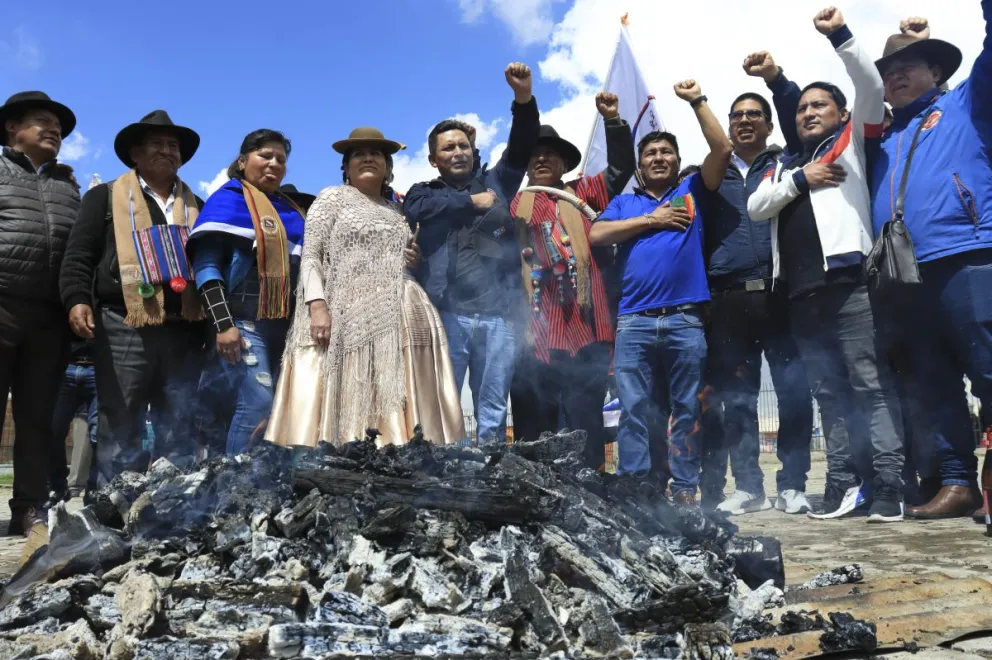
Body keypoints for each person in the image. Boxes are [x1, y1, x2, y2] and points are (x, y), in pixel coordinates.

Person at [748, 8, 905, 523]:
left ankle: (889, 485)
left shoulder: (852, 142)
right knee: (828, 393)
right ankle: (842, 482)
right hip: (800, 296)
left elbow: (868, 82)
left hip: (851, 285)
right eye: (802, 109)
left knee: (868, 383)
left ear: (842, 113)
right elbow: (756, 206)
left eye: (820, 105)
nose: (809, 113)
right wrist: (799, 179)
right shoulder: (786, 165)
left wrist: (839, 35)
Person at [265, 127, 466, 448]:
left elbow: (397, 256)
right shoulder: (331, 199)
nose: (368, 158)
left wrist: (412, 259)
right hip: (343, 312)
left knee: (398, 396)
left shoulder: (397, 210)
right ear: (345, 168)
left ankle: (396, 455)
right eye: (358, 154)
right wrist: (316, 305)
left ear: (388, 167)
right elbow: (312, 256)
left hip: (399, 314)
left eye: (376, 154)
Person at [870, 2, 991, 519]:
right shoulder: (882, 135)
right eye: (888, 73)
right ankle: (958, 483)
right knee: (931, 380)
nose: (895, 78)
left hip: (968, 259)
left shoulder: (970, 101)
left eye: (907, 68)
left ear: (937, 72)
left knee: (989, 370)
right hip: (906, 275)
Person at [590, 79, 733, 507]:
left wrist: (697, 101)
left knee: (686, 408)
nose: (658, 157)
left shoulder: (693, 191)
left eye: (665, 152)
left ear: (677, 160)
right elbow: (597, 233)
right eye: (650, 153)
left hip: (685, 319)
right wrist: (651, 220)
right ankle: (635, 489)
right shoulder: (625, 202)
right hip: (633, 321)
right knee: (632, 409)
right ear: (639, 166)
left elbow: (722, 151)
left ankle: (685, 488)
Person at [60, 110, 206, 487]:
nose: (167, 151)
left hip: (183, 330)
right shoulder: (105, 197)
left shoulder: (198, 207)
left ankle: (174, 504)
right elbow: (79, 255)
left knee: (178, 418)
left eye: (173, 145)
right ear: (135, 154)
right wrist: (77, 299)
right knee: (120, 416)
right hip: (125, 324)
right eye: (156, 144)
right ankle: (115, 500)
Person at [699, 52, 814, 516]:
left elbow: (794, 111)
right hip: (727, 300)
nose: (746, 121)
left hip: (780, 294)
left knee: (792, 390)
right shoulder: (707, 174)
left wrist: (775, 79)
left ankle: (793, 484)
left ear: (768, 125)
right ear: (727, 125)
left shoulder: (787, 162)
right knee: (737, 398)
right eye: (737, 116)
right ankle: (748, 486)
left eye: (755, 115)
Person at [403, 63, 539, 446]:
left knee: (493, 407)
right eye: (449, 147)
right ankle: (446, 477)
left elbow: (523, 145)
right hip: (447, 315)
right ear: (434, 158)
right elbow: (417, 211)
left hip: (499, 318)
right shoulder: (422, 192)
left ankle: (489, 475)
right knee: (443, 402)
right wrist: (470, 202)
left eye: (464, 145)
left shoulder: (498, 182)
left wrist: (523, 99)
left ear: (473, 150)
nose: (458, 151)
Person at [509, 92, 635, 468]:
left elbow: (620, 170)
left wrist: (613, 121)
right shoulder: (514, 206)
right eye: (534, 153)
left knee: (585, 419)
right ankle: (535, 484)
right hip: (536, 329)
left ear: (564, 163)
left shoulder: (584, 192)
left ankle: (590, 483)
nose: (542, 158)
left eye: (550, 154)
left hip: (588, 324)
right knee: (535, 420)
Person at [188, 129, 306, 456]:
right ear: (242, 162)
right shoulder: (227, 200)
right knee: (257, 400)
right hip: (241, 323)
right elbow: (207, 266)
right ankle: (235, 485)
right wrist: (223, 325)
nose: (274, 164)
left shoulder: (292, 214)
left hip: (284, 328)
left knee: (280, 411)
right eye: (265, 156)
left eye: (281, 159)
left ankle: (265, 484)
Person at [0, 91, 80, 535]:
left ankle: (26, 508)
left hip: (49, 317)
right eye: (41, 121)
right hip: (2, 304)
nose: (53, 130)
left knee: (36, 419)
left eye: (58, 127)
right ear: (12, 128)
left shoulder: (68, 187)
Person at [49, 337, 97, 502]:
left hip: (99, 368)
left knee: (97, 434)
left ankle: (94, 492)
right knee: (52, 430)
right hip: (66, 365)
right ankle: (57, 486)